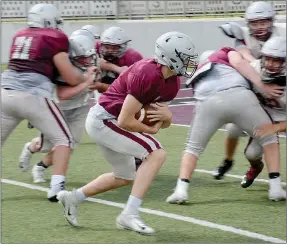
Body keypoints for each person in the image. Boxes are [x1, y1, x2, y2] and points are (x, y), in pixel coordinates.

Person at [57, 31, 198, 234]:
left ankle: (73, 198)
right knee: (156, 154)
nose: (189, 63)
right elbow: (125, 120)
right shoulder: (147, 73)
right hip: (104, 119)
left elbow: (159, 122)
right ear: (171, 58)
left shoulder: (173, 82)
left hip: (111, 120)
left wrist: (166, 119)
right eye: (185, 58)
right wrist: (150, 129)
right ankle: (129, 215)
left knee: (124, 176)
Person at [166, 45, 285, 205]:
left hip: (207, 100)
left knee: (192, 148)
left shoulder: (198, 72)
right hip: (240, 96)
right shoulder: (226, 53)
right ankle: (275, 188)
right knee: (269, 139)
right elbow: (240, 61)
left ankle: (181, 190)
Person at [1, 3, 95, 201]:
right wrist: (86, 79)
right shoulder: (55, 37)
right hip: (32, 95)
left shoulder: (19, 34)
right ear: (49, 20)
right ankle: (56, 188)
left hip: (4, 92)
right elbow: (70, 77)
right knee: (65, 140)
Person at [215, 1, 286, 179]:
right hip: (259, 84)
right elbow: (242, 56)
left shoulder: (282, 32)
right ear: (248, 24)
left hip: (281, 88)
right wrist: (259, 72)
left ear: (272, 21)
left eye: (264, 22)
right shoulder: (244, 36)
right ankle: (229, 160)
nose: (260, 26)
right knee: (233, 130)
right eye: (255, 23)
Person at [19, 33, 100, 184]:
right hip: (58, 108)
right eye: (83, 59)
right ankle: (30, 147)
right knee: (45, 146)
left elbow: (99, 69)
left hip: (80, 107)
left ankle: (40, 167)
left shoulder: (91, 59)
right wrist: (86, 83)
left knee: (69, 145)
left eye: (90, 57)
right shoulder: (60, 68)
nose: (88, 61)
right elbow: (63, 95)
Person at [235, 37, 286, 188]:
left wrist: (275, 128)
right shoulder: (256, 68)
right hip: (265, 117)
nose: (270, 64)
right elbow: (237, 59)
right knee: (251, 154)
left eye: (276, 60)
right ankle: (256, 167)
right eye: (268, 58)